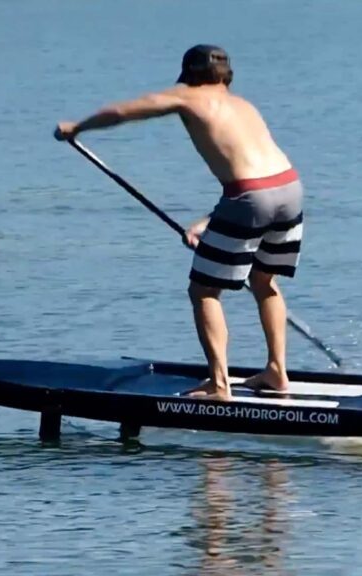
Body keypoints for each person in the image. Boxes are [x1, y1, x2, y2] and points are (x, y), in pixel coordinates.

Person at [54, 44, 304, 401]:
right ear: (225, 75)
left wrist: (77, 126)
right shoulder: (244, 105)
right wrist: (210, 221)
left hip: (250, 198)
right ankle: (277, 371)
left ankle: (220, 385)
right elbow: (257, 176)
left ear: (190, 74)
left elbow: (125, 111)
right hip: (289, 189)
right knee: (264, 281)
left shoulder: (189, 97)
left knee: (203, 291)